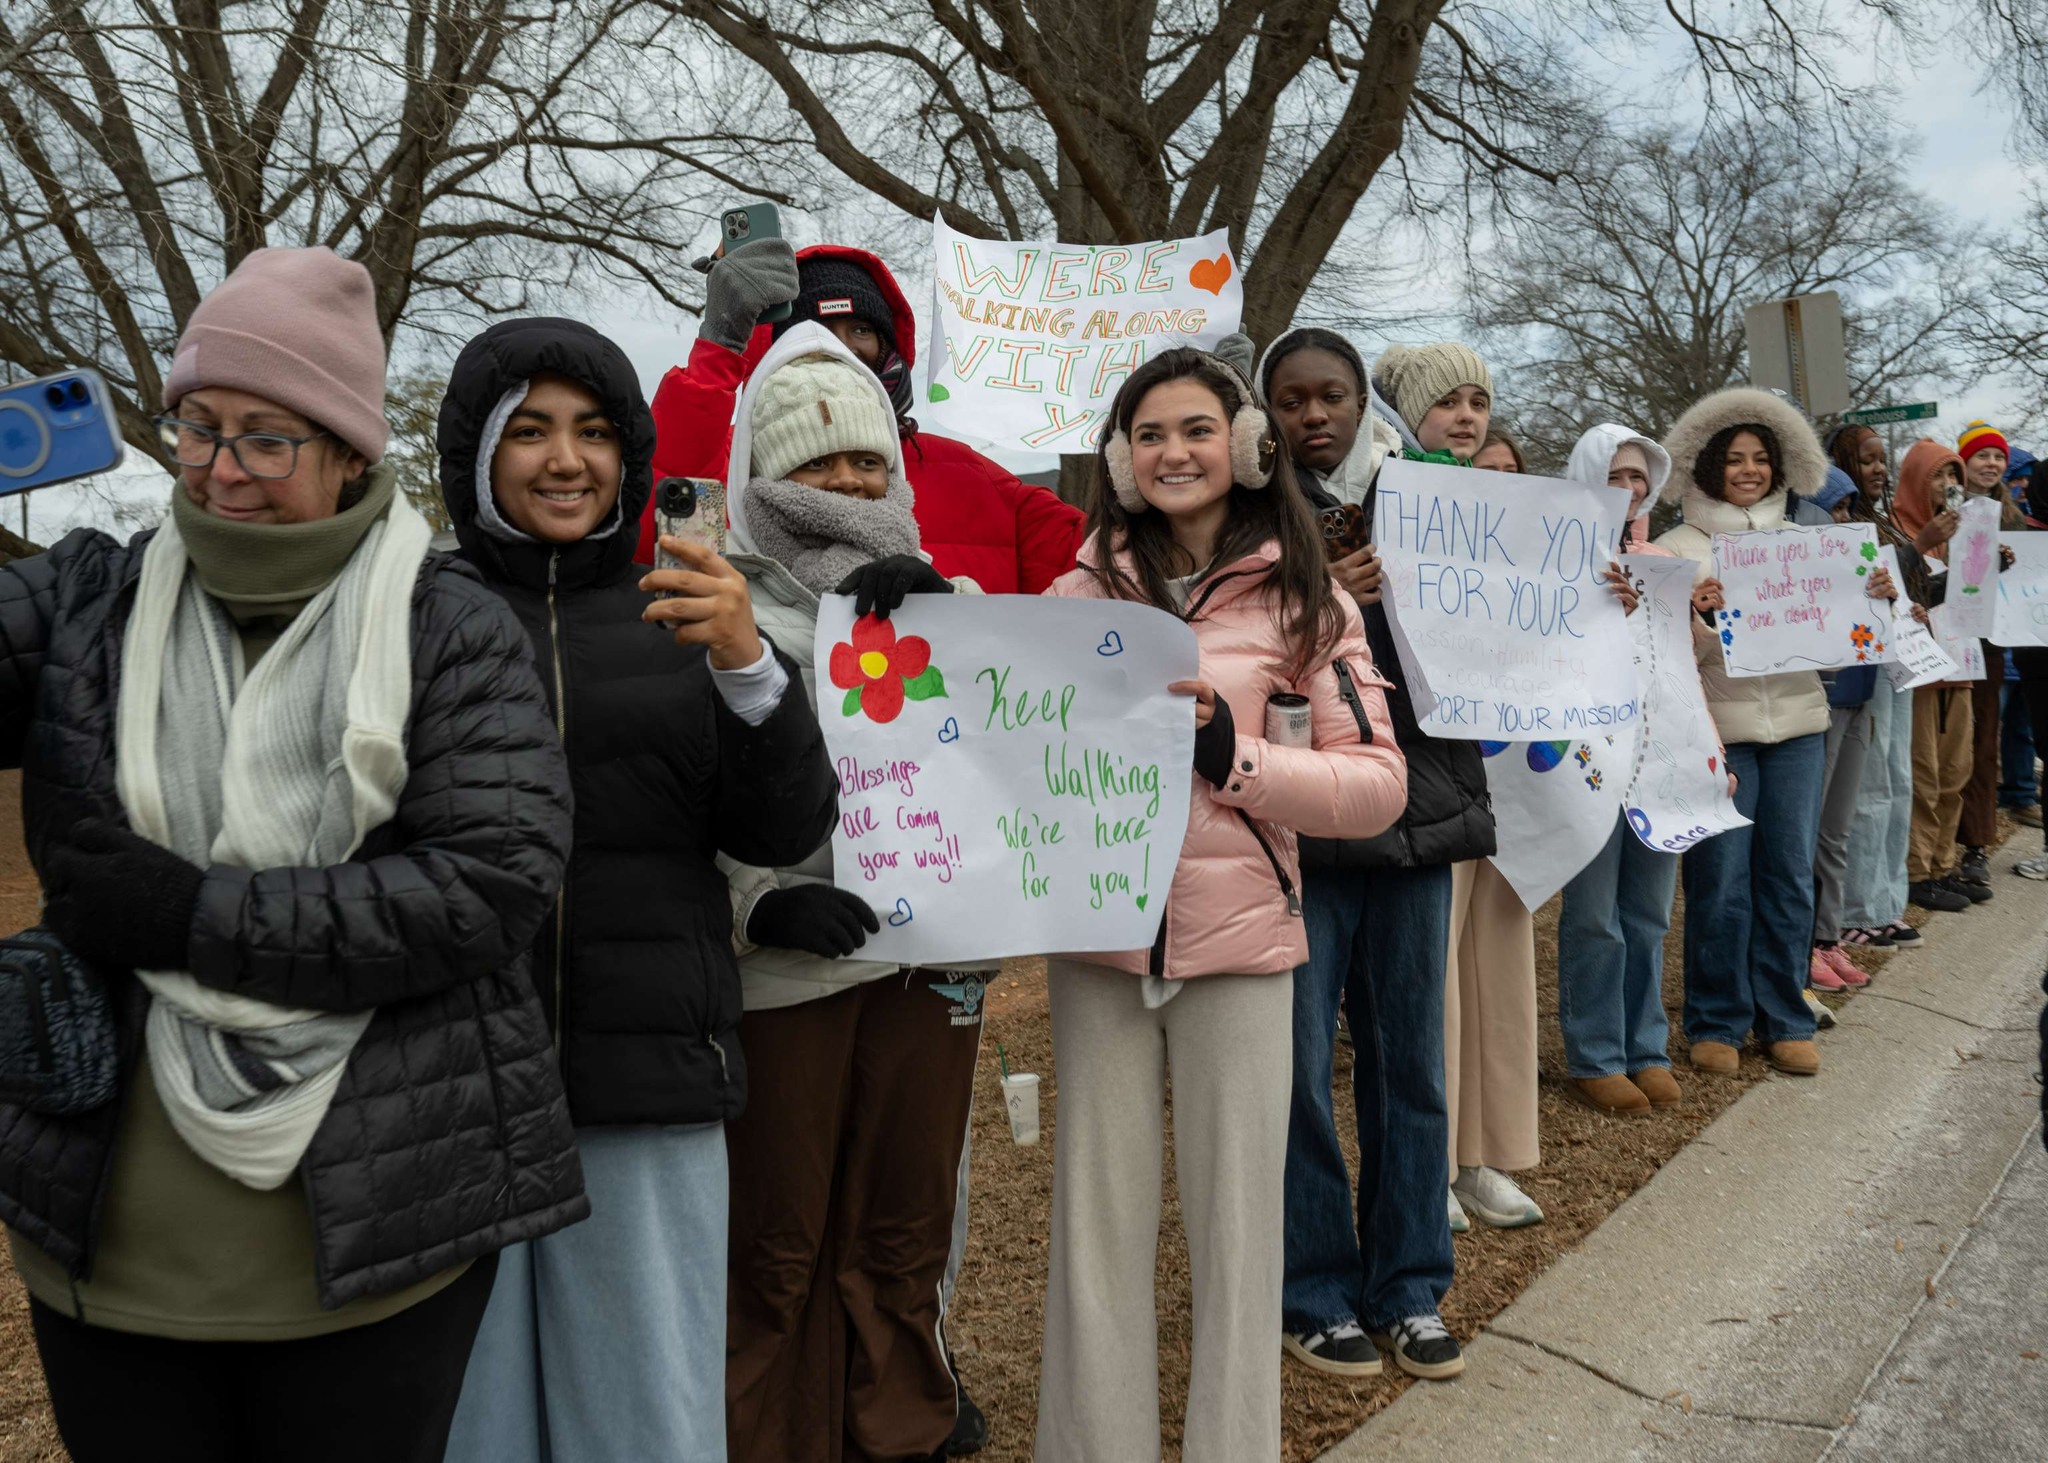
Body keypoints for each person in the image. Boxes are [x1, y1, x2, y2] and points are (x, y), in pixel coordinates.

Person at [0, 248, 587, 1463]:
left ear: (349, 454)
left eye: (267, 438)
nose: (221, 469)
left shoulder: (446, 625)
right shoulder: (88, 598)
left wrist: (188, 913)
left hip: (371, 1244)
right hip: (111, 1250)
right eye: (199, 427)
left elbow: (483, 888)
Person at [436, 318, 837, 1463]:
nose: (566, 459)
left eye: (595, 431)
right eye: (529, 431)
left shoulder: (690, 610)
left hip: (648, 1090)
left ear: (631, 453)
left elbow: (783, 827)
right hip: (457, 1088)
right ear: (475, 453)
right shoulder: (417, 616)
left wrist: (750, 669)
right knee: (471, 1425)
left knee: (645, 1419)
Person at [1034, 346, 1406, 1463]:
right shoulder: (1071, 597)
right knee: (1094, 1230)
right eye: (1148, 434)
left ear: (1244, 445)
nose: (1173, 452)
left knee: (1241, 1234)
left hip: (1243, 949)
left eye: (1195, 428)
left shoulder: (1310, 602)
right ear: (1119, 459)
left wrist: (1229, 755)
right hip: (1098, 944)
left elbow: (1375, 787)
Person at [710, 323, 986, 1463]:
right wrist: (754, 903)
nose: (847, 482)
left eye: (866, 459)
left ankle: (898, 1429)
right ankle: (769, 1437)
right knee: (775, 1237)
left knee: (903, 1224)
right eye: (815, 460)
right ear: (762, 472)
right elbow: (679, 784)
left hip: (929, 961)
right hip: (790, 973)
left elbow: (1013, 758)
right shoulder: (720, 603)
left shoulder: (955, 597)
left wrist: (947, 624)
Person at [1258, 326, 1484, 1384]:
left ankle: (1410, 1286)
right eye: (1292, 398)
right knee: (1299, 1071)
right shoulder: (1247, 516)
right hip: (1295, 827)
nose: (1314, 414)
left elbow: (1511, 626)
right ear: (1267, 412)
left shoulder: (1437, 502)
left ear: (1364, 403)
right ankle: (1314, 1290)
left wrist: (1594, 606)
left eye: (1333, 395)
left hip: (1418, 812)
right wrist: (1316, 593)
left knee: (1410, 1064)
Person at [1655, 388, 1894, 1078]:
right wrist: (1697, 618)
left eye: (1761, 458)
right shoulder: (1673, 550)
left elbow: (1843, 643)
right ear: (1709, 466)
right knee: (1721, 880)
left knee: (1789, 875)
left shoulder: (1811, 545)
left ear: (1780, 465)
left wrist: (1874, 601)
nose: (1750, 470)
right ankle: (1716, 1019)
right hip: (1719, 735)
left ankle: (1785, 1014)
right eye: (1735, 459)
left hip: (1798, 729)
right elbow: (1659, 660)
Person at [640, 239, 1084, 594]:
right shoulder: (725, 465)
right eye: (812, 330)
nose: (842, 347)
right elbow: (659, 547)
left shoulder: (974, 478)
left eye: (861, 329)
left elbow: (1105, 572)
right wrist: (720, 344)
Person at [1374, 344, 1546, 1233]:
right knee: (1431, 974)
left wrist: (1607, 598)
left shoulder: (1513, 510)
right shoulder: (1383, 496)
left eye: (1479, 398)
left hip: (1506, 762)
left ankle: (1488, 1155)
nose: (1467, 414)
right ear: (1408, 410)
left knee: (1498, 960)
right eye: (1447, 400)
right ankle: (1431, 1162)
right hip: (1424, 762)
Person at [1554, 424, 1685, 1115]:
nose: (1629, 489)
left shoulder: (1662, 560)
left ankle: (1647, 1047)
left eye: (1639, 477)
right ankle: (1596, 1054)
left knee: (1650, 911)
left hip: (1657, 754)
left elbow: (1683, 670)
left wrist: (1702, 616)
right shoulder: (1556, 559)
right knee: (1595, 913)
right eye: (1614, 476)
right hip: (1589, 758)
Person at [1830, 426, 1926, 949]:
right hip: (1863, 662)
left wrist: (1912, 609)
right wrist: (1921, 547)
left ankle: (1888, 902)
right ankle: (1857, 908)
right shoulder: (1836, 524)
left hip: (1898, 657)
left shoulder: (1881, 520)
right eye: (1867, 461)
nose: (1879, 469)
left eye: (1882, 459)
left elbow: (1908, 586)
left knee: (1896, 779)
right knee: (1869, 784)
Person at [1893, 440, 1985, 912]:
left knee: (1954, 773)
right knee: (1923, 775)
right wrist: (1924, 543)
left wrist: (1988, 565)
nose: (1948, 485)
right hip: (1920, 673)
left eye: (1954, 477)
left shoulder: (1963, 534)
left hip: (1960, 665)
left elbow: (1966, 597)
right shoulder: (1896, 530)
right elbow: (1901, 592)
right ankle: (1917, 870)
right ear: (1916, 479)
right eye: (1938, 476)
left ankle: (1943, 865)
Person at [1807, 468, 1878, 994]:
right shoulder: (1801, 563)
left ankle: (1828, 935)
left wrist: (1887, 598)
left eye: (1849, 509)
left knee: (1836, 829)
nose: (1844, 519)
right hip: (1824, 704)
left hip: (1860, 698)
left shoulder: (1860, 558)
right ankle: (1807, 941)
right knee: (1810, 831)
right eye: (1835, 508)